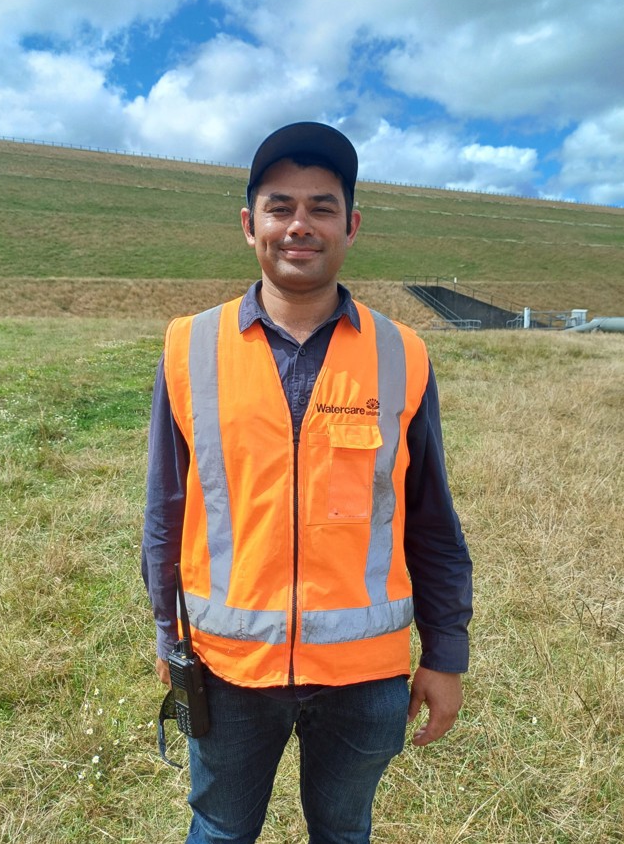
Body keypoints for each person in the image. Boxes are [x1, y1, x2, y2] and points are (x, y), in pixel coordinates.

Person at [141, 122, 473, 844]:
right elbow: (166, 511)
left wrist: (445, 653)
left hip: (364, 676)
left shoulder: (403, 353)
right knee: (221, 831)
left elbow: (431, 521)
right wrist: (171, 637)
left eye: (322, 207)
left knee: (345, 831)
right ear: (248, 223)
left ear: (351, 226)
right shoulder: (189, 346)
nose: (300, 225)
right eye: (279, 206)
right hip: (228, 669)